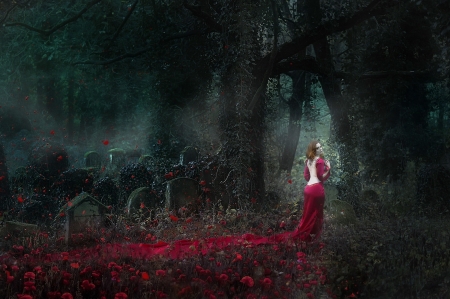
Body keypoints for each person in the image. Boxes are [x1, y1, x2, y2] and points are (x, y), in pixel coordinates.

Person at [292, 140, 331, 242]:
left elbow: (306, 176)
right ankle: (313, 237)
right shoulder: (320, 161)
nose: (321, 148)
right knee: (317, 214)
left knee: (308, 213)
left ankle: (305, 233)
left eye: (321, 146)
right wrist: (329, 168)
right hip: (316, 190)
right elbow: (320, 177)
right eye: (318, 148)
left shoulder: (308, 160)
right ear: (313, 150)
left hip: (308, 189)